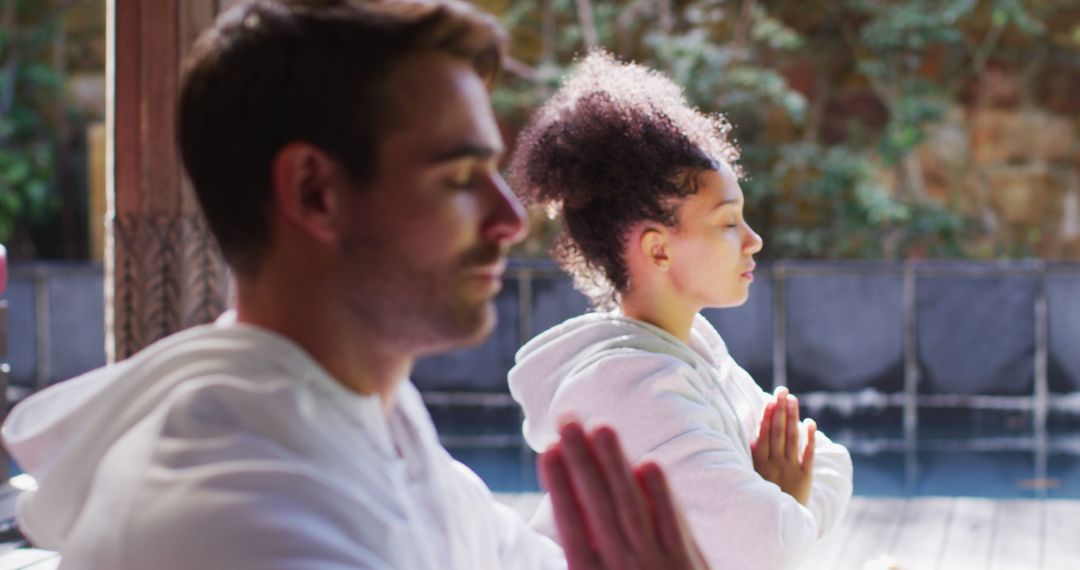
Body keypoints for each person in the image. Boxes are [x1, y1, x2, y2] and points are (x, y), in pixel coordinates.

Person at [0, 2, 708, 568]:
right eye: (459, 176)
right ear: (315, 192)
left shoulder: (370, 418)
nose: (509, 218)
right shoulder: (236, 519)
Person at [507, 52, 854, 570]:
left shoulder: (693, 350)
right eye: (728, 222)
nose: (754, 241)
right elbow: (769, 546)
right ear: (658, 249)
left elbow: (829, 461)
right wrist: (782, 500)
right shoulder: (634, 387)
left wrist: (781, 504)